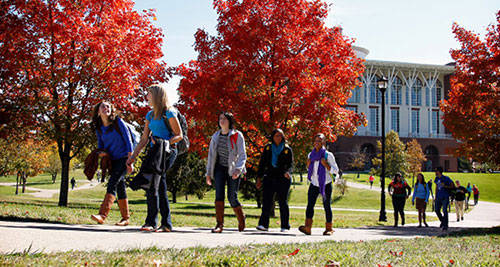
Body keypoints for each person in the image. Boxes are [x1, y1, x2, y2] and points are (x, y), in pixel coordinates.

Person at [127, 84, 183, 232]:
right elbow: (144, 138)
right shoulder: (150, 115)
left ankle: (152, 222)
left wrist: (163, 142)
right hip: (153, 153)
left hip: (167, 152)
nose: (147, 97)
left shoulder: (169, 113)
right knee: (159, 185)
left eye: (149, 94)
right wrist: (133, 156)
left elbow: (179, 135)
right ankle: (165, 224)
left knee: (155, 184)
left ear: (157, 96)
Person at [90, 101, 134, 226]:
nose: (106, 108)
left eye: (108, 106)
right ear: (98, 111)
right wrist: (100, 153)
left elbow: (128, 139)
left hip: (124, 158)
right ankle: (125, 218)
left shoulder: (117, 122)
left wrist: (130, 161)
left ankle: (102, 215)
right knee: (120, 187)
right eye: (103, 106)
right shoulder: (99, 127)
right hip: (112, 160)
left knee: (113, 182)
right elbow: (101, 145)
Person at [206, 112, 247, 233]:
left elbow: (242, 154)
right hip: (219, 168)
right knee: (219, 195)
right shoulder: (215, 136)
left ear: (230, 121)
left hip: (233, 169)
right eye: (220, 119)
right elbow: (211, 155)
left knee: (232, 197)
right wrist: (208, 173)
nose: (222, 121)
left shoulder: (237, 135)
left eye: (224, 119)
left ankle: (241, 218)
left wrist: (238, 170)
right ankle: (219, 224)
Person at [298, 133, 339, 236]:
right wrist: (308, 165)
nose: (317, 143)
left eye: (319, 141)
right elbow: (310, 169)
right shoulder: (310, 155)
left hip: (326, 183)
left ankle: (329, 228)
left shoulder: (328, 155)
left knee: (327, 205)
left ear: (324, 142)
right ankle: (308, 228)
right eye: (316, 141)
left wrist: (326, 165)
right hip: (314, 183)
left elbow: (335, 170)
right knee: (310, 205)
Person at [256, 129, 293, 232]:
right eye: (276, 136)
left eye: (280, 136)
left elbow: (291, 165)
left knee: (282, 202)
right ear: (272, 137)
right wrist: (259, 178)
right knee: (266, 201)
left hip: (282, 178)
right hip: (270, 176)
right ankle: (263, 224)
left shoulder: (287, 149)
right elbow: (262, 164)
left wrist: (288, 172)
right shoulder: (268, 148)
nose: (278, 138)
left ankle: (285, 226)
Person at [434, 166, 455, 231]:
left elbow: (452, 185)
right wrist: (435, 195)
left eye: (436, 171)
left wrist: (445, 186)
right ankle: (443, 221)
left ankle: (445, 225)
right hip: (438, 197)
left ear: (439, 171)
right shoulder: (436, 179)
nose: (435, 172)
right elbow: (436, 187)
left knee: (444, 211)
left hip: (445, 196)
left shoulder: (446, 178)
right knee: (437, 210)